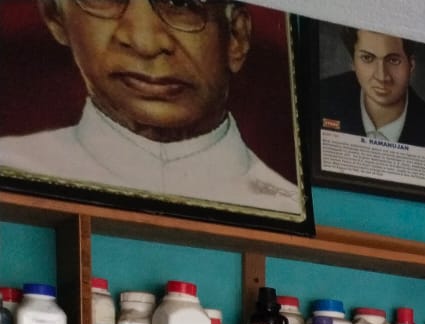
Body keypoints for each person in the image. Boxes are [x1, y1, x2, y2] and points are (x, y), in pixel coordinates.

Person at [0, 0, 301, 214]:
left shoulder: (282, 207)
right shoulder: (12, 166)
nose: (145, 43)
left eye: (181, 3)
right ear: (56, 16)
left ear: (236, 36)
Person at [318, 28, 425, 151]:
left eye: (393, 60)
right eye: (367, 58)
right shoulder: (321, 97)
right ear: (353, 62)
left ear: (411, 65)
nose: (381, 76)